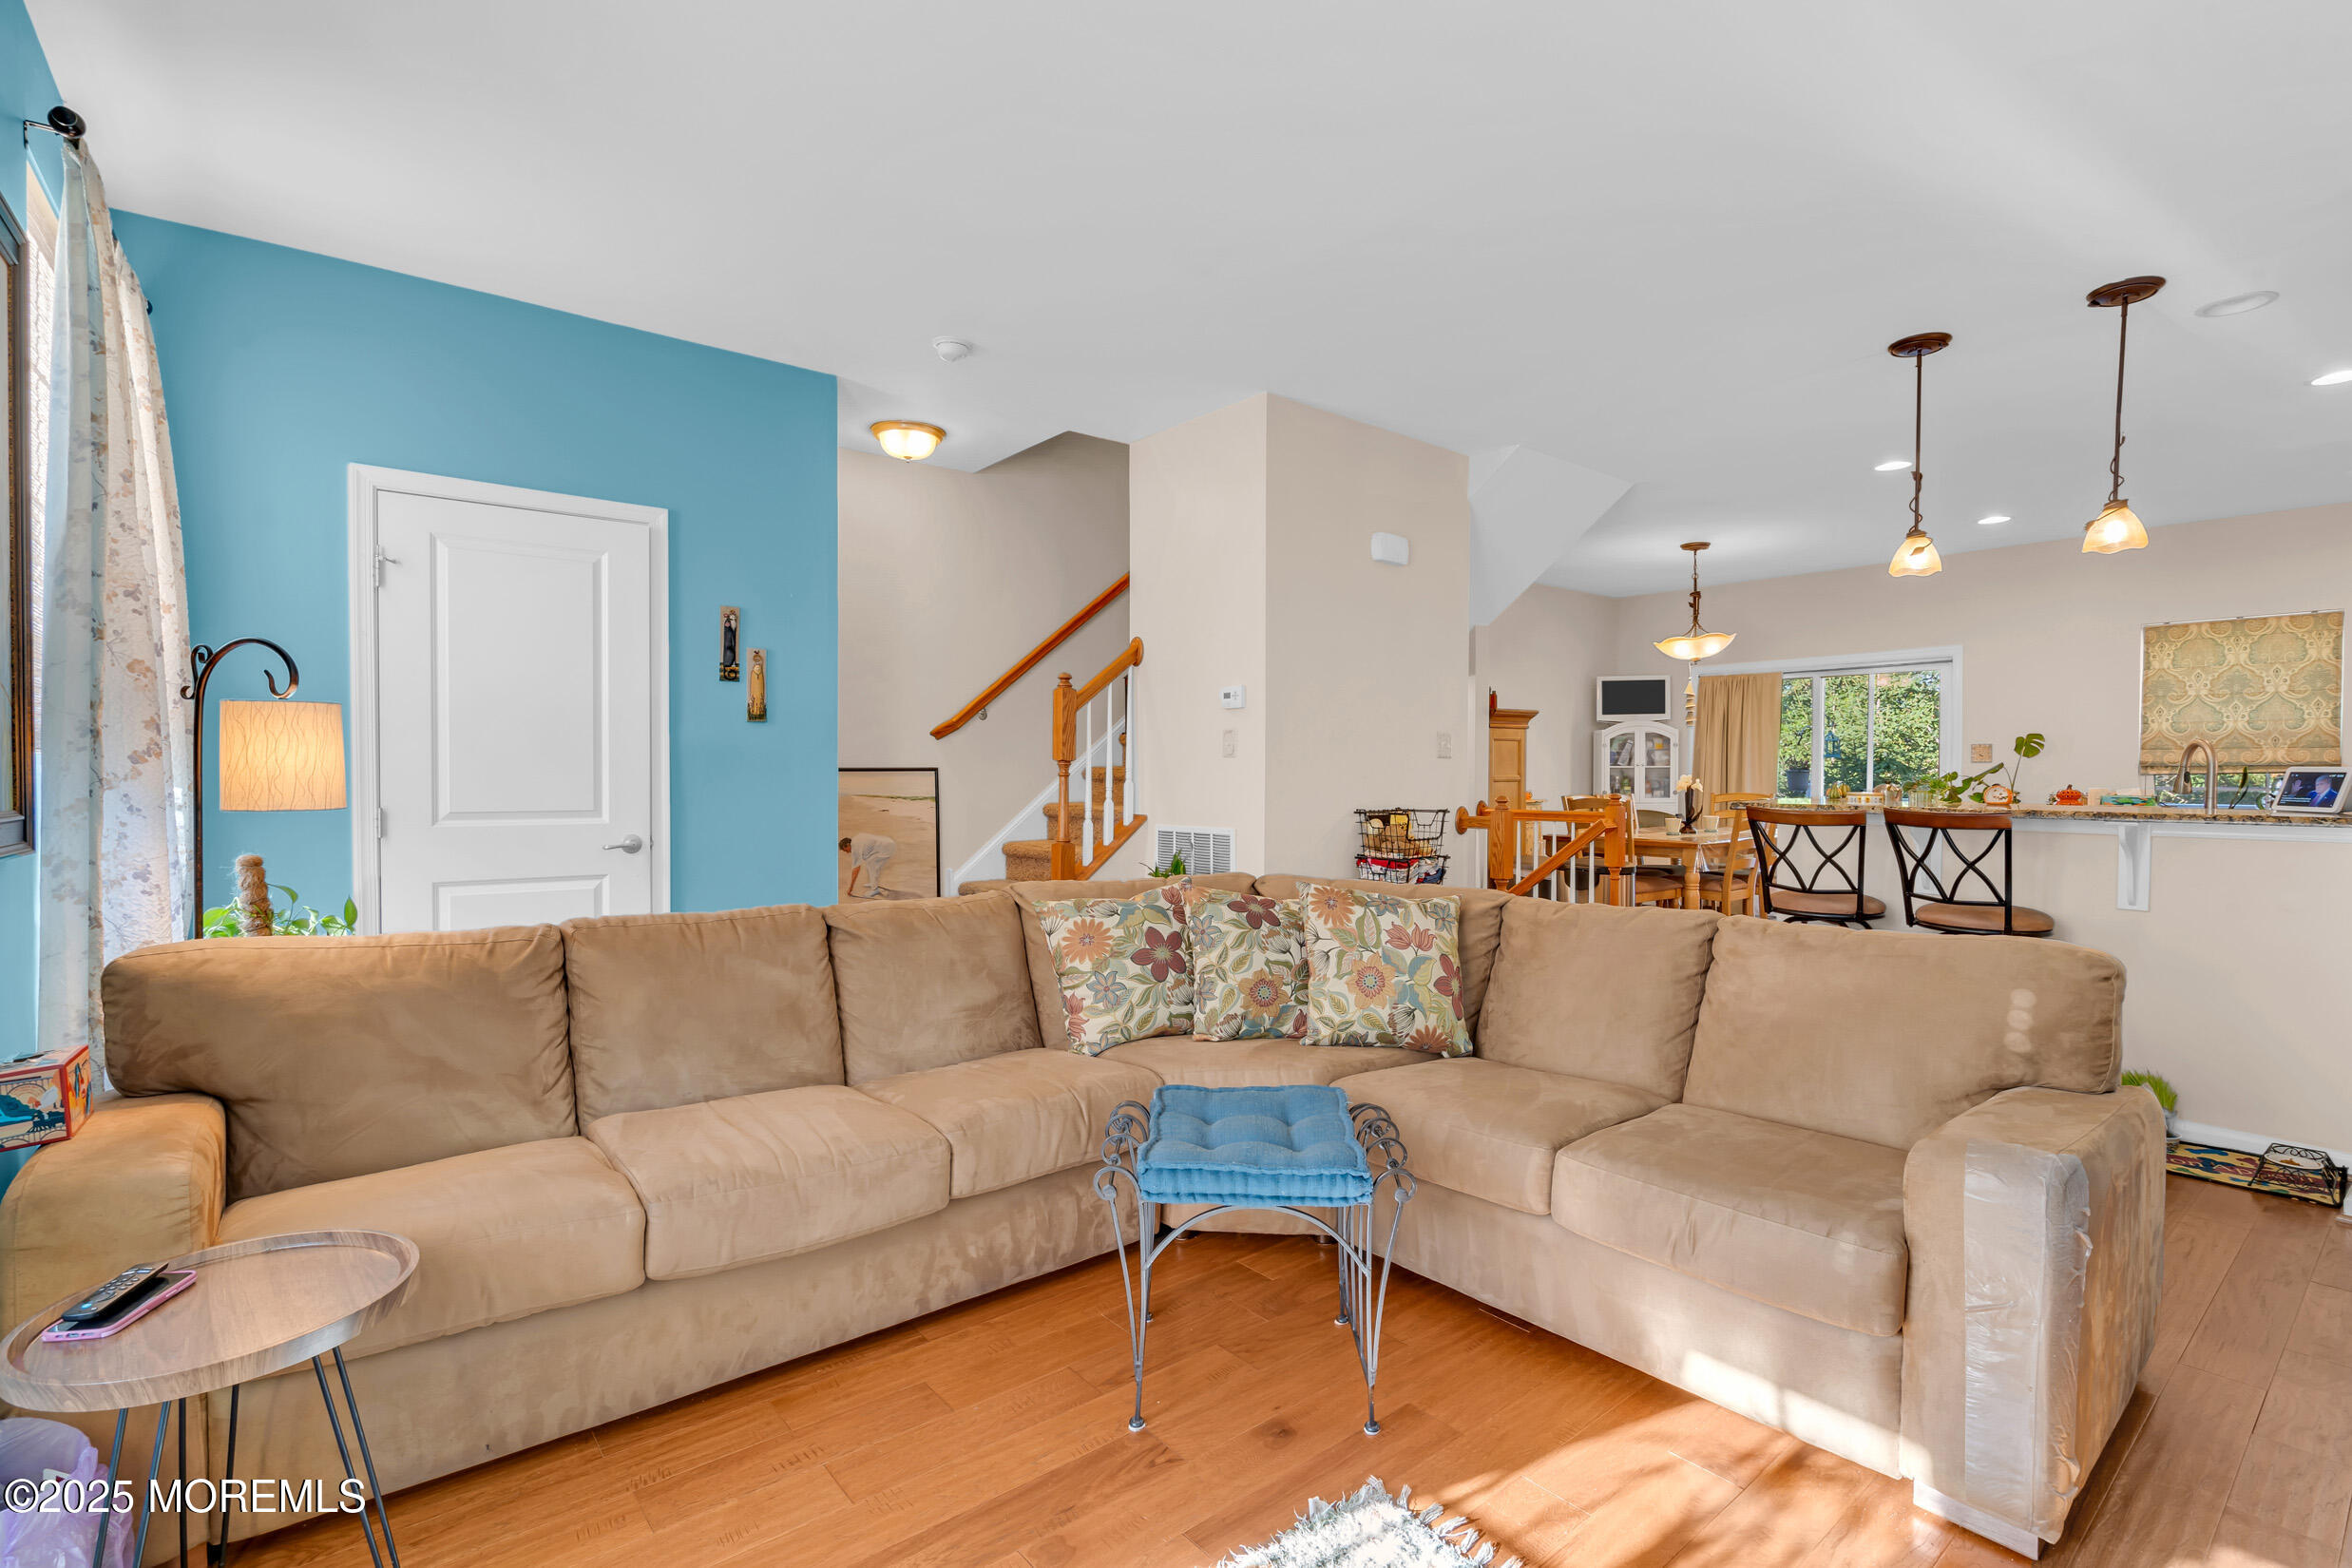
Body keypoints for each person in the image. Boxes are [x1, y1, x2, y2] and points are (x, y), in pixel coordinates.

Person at [840, 832, 898, 899]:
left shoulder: (855, 848)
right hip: (888, 843)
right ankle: (873, 883)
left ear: (848, 845)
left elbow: (856, 869)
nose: (847, 852)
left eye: (846, 850)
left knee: (871, 864)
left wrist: (851, 888)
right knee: (870, 862)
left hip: (887, 849)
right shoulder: (856, 838)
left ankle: (875, 889)